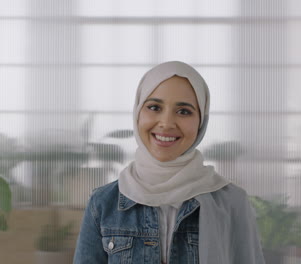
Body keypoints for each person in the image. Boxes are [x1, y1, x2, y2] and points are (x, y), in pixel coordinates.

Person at [74, 61, 265, 263]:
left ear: (201, 121)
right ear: (138, 113)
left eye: (183, 111)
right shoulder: (103, 203)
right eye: (154, 107)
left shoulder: (232, 202)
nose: (166, 123)